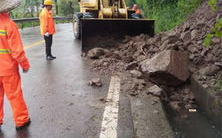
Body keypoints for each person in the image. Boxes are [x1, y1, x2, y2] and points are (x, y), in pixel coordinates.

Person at [0, 0, 31, 130]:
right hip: (8, 69)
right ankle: (21, 120)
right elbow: (17, 51)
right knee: (14, 94)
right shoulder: (9, 25)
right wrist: (25, 65)